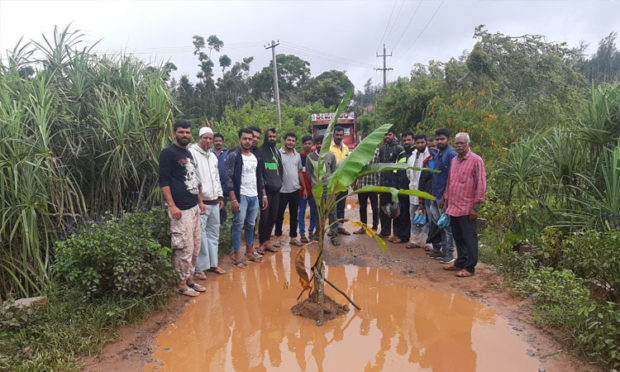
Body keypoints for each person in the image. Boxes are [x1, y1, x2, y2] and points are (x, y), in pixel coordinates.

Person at [159, 120, 207, 297]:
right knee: (183, 247)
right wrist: (172, 206)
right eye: (181, 132)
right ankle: (180, 283)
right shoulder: (168, 153)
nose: (185, 135)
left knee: (195, 246)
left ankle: (189, 279)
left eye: (187, 132)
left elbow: (193, 180)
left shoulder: (188, 153)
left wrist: (200, 202)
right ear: (174, 133)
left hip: (193, 206)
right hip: (180, 209)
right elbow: (164, 181)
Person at [442, 132, 486, 277]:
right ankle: (460, 261)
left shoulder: (476, 160)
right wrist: (446, 200)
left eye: (462, 143)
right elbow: (450, 181)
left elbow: (481, 184)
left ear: (468, 144)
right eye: (457, 143)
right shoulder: (454, 160)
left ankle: (469, 267)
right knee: (458, 237)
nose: (459, 146)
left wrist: (475, 207)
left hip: (467, 208)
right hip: (454, 206)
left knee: (469, 238)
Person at [223, 128, 268, 268]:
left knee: (251, 224)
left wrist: (263, 195)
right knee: (238, 225)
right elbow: (228, 178)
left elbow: (259, 177)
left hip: (254, 196)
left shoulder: (255, 157)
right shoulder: (234, 155)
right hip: (240, 196)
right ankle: (236, 255)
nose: (248, 141)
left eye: (250, 138)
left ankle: (249, 253)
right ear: (239, 140)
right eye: (245, 139)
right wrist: (233, 199)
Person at [189, 127, 226, 278]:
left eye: (210, 138)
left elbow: (216, 178)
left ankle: (213, 264)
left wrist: (220, 196)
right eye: (205, 138)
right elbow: (193, 179)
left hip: (214, 201)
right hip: (201, 202)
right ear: (199, 138)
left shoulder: (213, 157)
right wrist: (199, 200)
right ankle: (200, 268)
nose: (208, 141)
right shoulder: (192, 153)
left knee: (213, 233)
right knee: (201, 236)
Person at [427, 128, 457, 264]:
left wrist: (446, 197)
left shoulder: (451, 154)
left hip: (445, 196)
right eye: (437, 139)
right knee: (440, 224)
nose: (439, 141)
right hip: (435, 193)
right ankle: (444, 251)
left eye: (442, 139)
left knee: (447, 226)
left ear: (448, 140)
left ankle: (449, 253)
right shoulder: (439, 154)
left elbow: (452, 177)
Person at [306, 135, 339, 245]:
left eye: (322, 143)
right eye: (318, 143)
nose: (320, 145)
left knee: (333, 213)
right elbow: (309, 174)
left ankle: (334, 235)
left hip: (329, 189)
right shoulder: (310, 157)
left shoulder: (331, 156)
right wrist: (315, 184)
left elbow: (333, 171)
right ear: (315, 144)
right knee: (317, 212)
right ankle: (318, 234)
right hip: (317, 190)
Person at [275, 132, 306, 247]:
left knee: (294, 215)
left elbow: (299, 172)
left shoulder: (297, 155)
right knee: (279, 215)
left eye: (293, 141)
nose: (291, 142)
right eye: (289, 140)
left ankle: (293, 237)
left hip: (295, 190)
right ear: (284, 140)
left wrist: (304, 188)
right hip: (281, 190)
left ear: (295, 143)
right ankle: (278, 236)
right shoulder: (278, 154)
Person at [256, 127, 283, 253]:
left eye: (274, 137)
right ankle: (261, 242)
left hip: (276, 190)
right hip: (265, 192)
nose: (272, 139)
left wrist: (280, 182)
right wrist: (263, 191)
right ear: (266, 137)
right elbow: (259, 173)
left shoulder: (276, 152)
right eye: (270, 136)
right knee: (264, 217)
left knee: (273, 216)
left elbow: (280, 169)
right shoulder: (260, 151)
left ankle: (267, 241)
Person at [378, 127, 404, 241]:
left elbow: (401, 168)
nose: (387, 137)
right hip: (384, 184)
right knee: (384, 209)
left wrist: (398, 185)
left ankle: (396, 234)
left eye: (389, 134)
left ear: (394, 135)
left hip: (395, 185)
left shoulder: (399, 148)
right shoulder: (382, 149)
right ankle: (385, 231)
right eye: (385, 135)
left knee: (395, 210)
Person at [405, 133, 430, 248]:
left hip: (426, 191)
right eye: (418, 143)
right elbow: (409, 174)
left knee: (427, 216)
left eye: (422, 142)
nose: (420, 145)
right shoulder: (411, 157)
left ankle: (425, 240)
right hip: (413, 190)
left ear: (426, 143)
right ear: (415, 144)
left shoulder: (429, 156)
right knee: (413, 216)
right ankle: (415, 239)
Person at [353, 147, 380, 234]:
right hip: (362, 185)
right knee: (362, 207)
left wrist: (379, 185)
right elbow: (356, 168)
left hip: (373, 185)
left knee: (375, 207)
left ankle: (375, 227)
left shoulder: (377, 152)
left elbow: (379, 168)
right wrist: (354, 182)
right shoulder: (360, 152)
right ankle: (363, 227)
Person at [329, 126, 351, 235]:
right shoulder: (329, 148)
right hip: (333, 182)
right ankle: (332, 228)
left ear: (343, 135)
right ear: (333, 136)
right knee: (332, 206)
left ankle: (340, 227)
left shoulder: (346, 148)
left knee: (341, 205)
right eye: (337, 135)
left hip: (344, 181)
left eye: (340, 135)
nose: (339, 137)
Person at [298, 135, 317, 243]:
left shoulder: (315, 157)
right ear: (302, 145)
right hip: (302, 191)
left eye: (309, 143)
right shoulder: (300, 157)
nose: (307, 145)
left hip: (314, 190)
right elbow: (299, 173)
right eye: (305, 143)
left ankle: (311, 231)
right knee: (302, 212)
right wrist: (303, 187)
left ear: (312, 144)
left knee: (313, 211)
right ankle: (302, 233)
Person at [213, 133, 229, 223]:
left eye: (220, 141)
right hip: (213, 187)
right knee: (215, 210)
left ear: (223, 142)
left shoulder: (228, 154)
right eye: (216, 141)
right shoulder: (210, 154)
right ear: (213, 142)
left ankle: (222, 228)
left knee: (223, 209)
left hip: (225, 188)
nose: (218, 143)